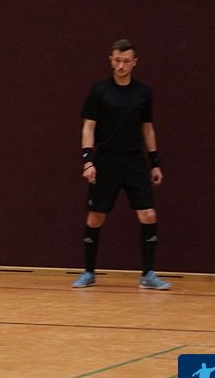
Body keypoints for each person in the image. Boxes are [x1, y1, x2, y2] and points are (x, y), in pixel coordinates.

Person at [72, 39, 170, 290]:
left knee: (148, 214)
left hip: (134, 161)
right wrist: (87, 161)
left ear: (134, 62)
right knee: (96, 217)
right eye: (117, 60)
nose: (121, 65)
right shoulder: (99, 90)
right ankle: (89, 272)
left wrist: (155, 163)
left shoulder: (143, 93)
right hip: (106, 160)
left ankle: (148, 274)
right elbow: (88, 127)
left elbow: (147, 128)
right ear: (111, 60)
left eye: (126, 61)